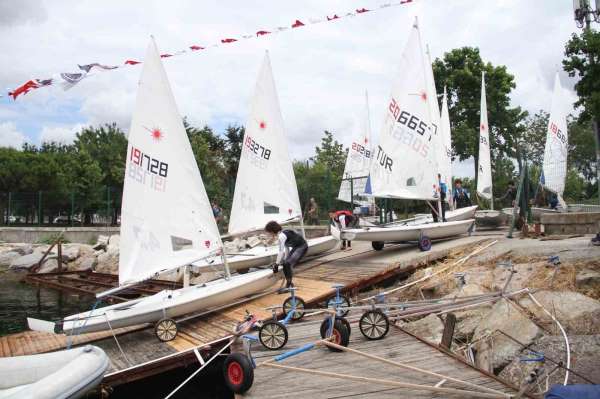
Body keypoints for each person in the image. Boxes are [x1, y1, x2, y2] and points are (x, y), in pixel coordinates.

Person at [264, 220, 308, 291]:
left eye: (269, 232)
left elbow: (281, 251)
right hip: (296, 247)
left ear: (272, 231)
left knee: (287, 264)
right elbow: (286, 248)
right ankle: (289, 283)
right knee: (285, 263)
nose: (270, 234)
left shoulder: (281, 236)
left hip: (302, 246)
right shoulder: (281, 235)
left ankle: (289, 285)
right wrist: (285, 259)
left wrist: (276, 264)